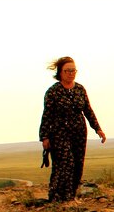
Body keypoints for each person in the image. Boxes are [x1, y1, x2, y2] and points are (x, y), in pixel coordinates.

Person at [39, 56, 106, 202]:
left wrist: (97, 128)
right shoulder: (53, 92)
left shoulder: (80, 89)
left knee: (77, 163)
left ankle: (71, 196)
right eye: (67, 70)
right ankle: (57, 197)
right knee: (65, 163)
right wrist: (44, 137)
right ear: (60, 72)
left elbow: (88, 110)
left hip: (79, 133)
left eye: (73, 70)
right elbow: (47, 115)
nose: (71, 73)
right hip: (59, 133)